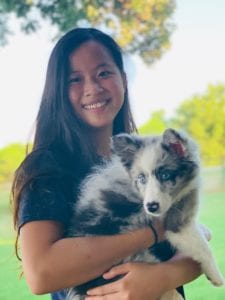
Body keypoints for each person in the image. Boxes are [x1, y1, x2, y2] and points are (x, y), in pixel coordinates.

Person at [11, 28, 202, 300]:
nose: (92, 88)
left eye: (103, 73)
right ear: (58, 92)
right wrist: (152, 232)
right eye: (74, 79)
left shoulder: (148, 158)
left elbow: (195, 239)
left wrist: (162, 277)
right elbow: (41, 273)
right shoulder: (48, 166)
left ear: (123, 79)